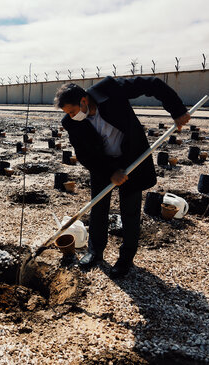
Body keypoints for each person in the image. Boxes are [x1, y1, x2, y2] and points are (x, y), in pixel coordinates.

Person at [54, 76, 191, 278]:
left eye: (73, 111)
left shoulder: (109, 89)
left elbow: (151, 85)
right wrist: (110, 172)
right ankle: (95, 251)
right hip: (102, 164)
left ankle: (126, 258)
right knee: (98, 207)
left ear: (84, 100)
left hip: (131, 158)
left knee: (130, 211)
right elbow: (85, 155)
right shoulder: (71, 122)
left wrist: (177, 110)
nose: (72, 116)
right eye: (68, 113)